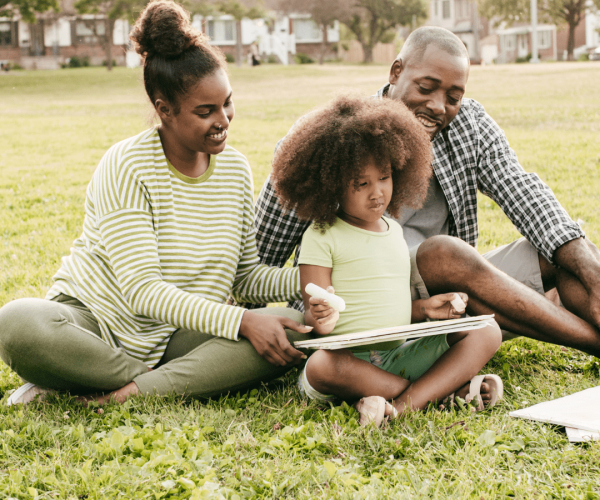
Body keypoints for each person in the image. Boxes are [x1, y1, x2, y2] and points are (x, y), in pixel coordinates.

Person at [0, 0, 313, 406]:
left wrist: (313, 278)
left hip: (174, 335)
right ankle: (142, 381)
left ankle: (101, 386)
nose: (224, 120)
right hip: (92, 324)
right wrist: (241, 320)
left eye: (227, 102)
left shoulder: (234, 169)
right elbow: (143, 292)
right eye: (206, 111)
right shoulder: (126, 164)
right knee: (17, 324)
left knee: (291, 325)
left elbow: (245, 279)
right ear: (165, 110)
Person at [253, 26, 600, 358]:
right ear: (396, 72)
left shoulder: (469, 123)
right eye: (426, 87)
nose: (438, 106)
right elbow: (262, 251)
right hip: (365, 308)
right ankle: (592, 343)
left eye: (453, 96)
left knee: (566, 251)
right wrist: (244, 322)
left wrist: (590, 270)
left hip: (451, 295)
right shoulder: (335, 139)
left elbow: (522, 190)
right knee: (444, 253)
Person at [271, 93, 502, 426]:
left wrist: (425, 310)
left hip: (396, 357)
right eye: (361, 183)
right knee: (321, 365)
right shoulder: (321, 236)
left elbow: (388, 306)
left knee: (487, 330)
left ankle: (402, 406)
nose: (377, 192)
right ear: (332, 186)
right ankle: (440, 393)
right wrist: (322, 315)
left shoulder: (394, 231)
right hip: (347, 363)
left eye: (384, 178)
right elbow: (316, 317)